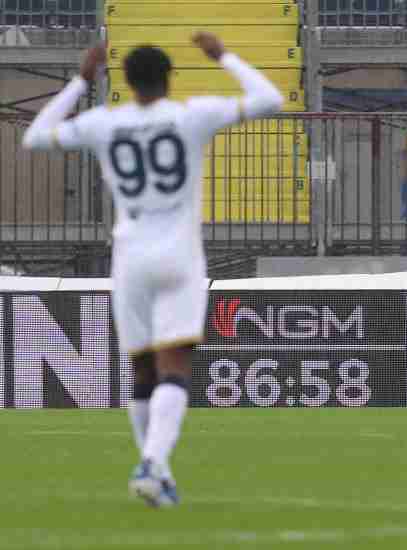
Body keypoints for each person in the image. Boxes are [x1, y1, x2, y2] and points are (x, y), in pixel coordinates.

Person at [23, 33, 284, 505]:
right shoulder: (191, 116)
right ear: (170, 78)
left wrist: (80, 83)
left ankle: (152, 468)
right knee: (175, 366)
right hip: (179, 256)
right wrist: (223, 54)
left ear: (124, 80)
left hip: (129, 259)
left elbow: (36, 135)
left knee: (142, 371)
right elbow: (270, 99)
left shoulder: (105, 123)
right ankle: (154, 464)